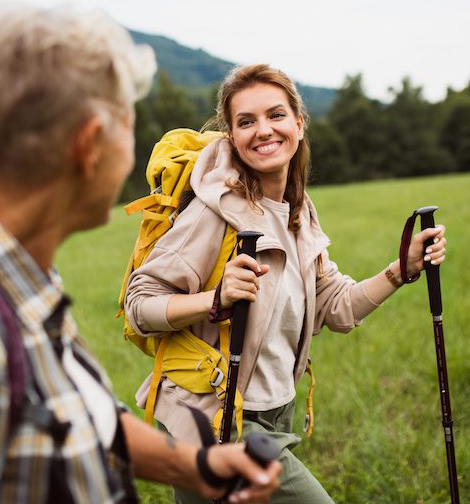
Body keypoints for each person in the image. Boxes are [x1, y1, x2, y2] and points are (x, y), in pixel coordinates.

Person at [0, 5, 282, 503]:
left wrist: (193, 465)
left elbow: (76, 412)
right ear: (90, 146)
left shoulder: (1, 271)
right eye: (129, 127)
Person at [122, 63, 448, 503]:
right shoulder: (214, 212)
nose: (263, 130)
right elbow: (139, 304)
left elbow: (339, 306)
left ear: (298, 122)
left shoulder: (298, 213)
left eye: (275, 115)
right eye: (246, 121)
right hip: (213, 415)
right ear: (232, 137)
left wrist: (401, 269)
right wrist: (214, 299)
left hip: (275, 412)